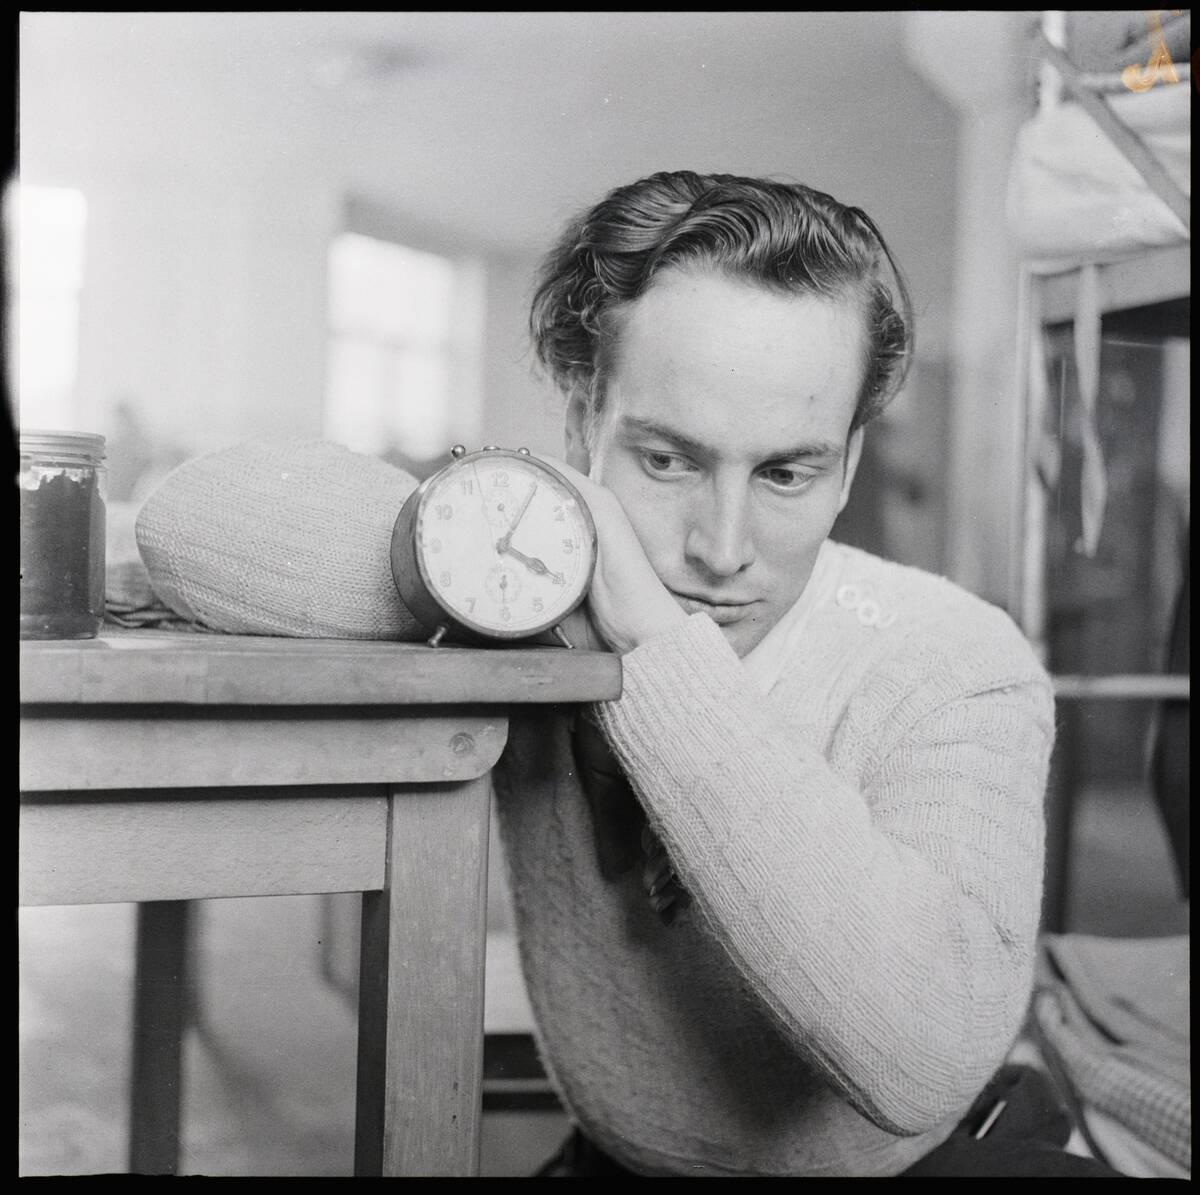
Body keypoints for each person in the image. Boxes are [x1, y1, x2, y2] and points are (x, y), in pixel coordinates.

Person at [491, 170, 1122, 1177]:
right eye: (666, 461)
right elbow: (236, 533)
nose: (725, 547)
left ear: (850, 468)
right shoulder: (519, 599)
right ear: (581, 430)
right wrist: (465, 517)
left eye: (785, 472)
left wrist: (659, 648)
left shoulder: (956, 658)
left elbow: (923, 1059)